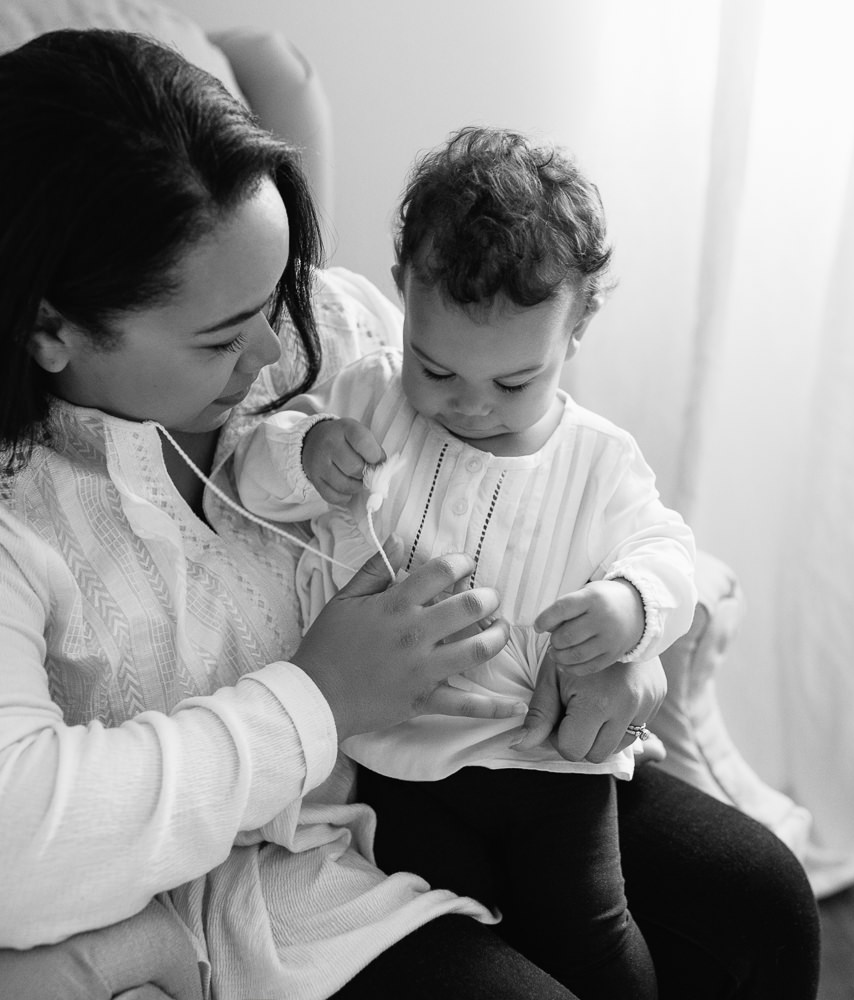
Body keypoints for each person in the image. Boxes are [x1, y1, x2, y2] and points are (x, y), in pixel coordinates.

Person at [0, 27, 820, 1000]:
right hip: (282, 869)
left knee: (761, 899)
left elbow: (547, 477)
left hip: (484, 749)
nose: (282, 357)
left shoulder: (333, 323)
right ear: (50, 328)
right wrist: (317, 698)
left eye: (278, 297)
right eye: (223, 336)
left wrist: (623, 637)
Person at [233, 126, 697, 998]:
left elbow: (669, 553)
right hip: (400, 762)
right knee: (472, 929)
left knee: (591, 939)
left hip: (547, 761)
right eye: (436, 368)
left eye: (513, 383)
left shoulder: (598, 460)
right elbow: (250, 475)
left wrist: (631, 607)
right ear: (403, 291)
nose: (471, 406)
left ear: (578, 326)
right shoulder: (368, 394)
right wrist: (307, 454)